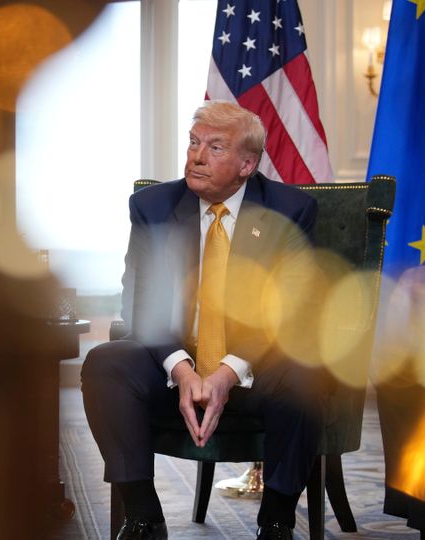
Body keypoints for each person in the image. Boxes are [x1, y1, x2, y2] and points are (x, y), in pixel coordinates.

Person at [81, 101, 324, 540]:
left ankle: (276, 521)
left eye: (215, 148)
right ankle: (143, 517)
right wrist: (181, 368)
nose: (196, 156)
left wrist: (229, 372)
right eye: (194, 143)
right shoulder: (153, 207)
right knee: (106, 362)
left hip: (255, 371)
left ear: (247, 165)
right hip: (174, 368)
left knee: (306, 371)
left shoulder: (290, 210)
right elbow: (140, 302)